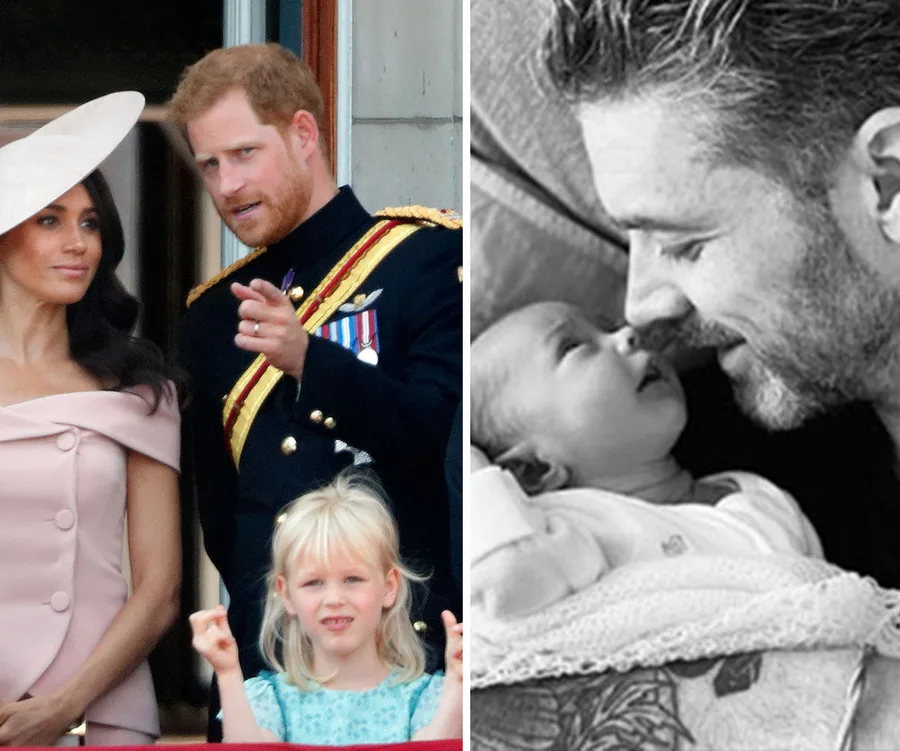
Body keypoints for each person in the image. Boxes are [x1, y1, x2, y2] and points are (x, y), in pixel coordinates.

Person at [169, 42, 463, 738]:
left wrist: (311, 361)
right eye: (209, 164)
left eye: (244, 154)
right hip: (270, 666)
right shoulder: (211, 315)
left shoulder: (423, 257)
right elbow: (226, 516)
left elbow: (435, 437)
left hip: (401, 662)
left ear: (304, 134)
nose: (227, 184)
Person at [0, 92, 184, 746]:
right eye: (49, 220)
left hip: (98, 711)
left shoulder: (136, 388)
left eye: (89, 223)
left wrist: (64, 704)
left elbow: (160, 589)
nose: (77, 242)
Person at [470, 301, 822, 619]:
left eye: (610, 326)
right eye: (573, 346)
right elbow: (503, 583)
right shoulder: (571, 532)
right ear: (534, 469)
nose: (627, 334)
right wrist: (465, 467)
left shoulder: (757, 494)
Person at [189, 474, 464, 744]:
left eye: (352, 579)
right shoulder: (270, 698)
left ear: (389, 587)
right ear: (286, 595)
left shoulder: (425, 697)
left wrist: (458, 683)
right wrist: (227, 672)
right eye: (313, 582)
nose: (333, 599)